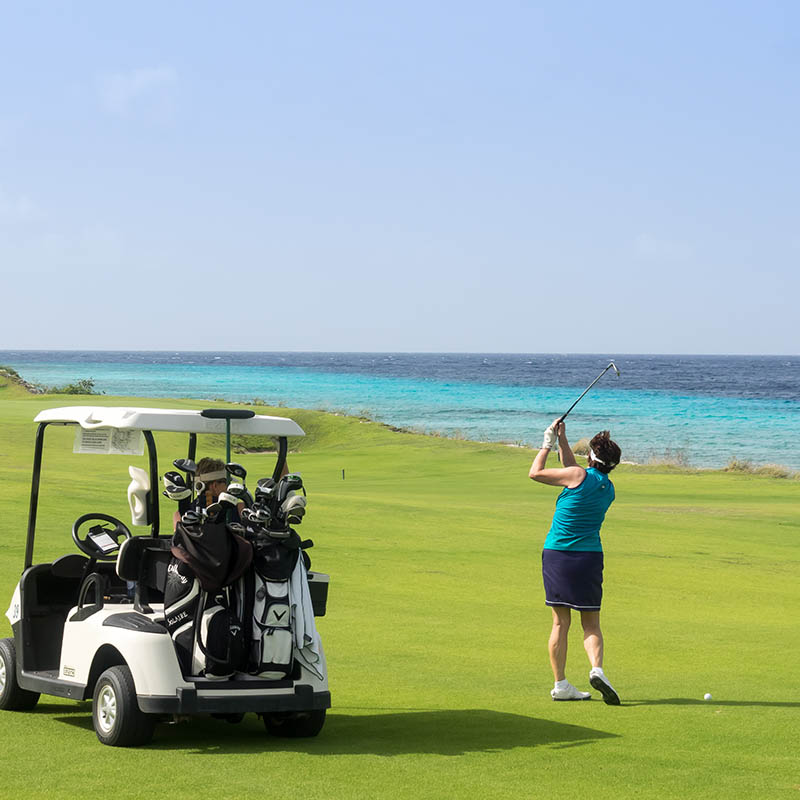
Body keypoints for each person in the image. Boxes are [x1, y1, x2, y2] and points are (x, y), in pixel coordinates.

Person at [529, 421, 622, 704]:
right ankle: (597, 669)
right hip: (589, 558)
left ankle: (561, 685)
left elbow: (536, 473)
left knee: (560, 623)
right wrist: (563, 439)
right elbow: (573, 471)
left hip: (558, 555)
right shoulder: (608, 488)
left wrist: (547, 443)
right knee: (591, 623)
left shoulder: (577, 475)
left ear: (591, 458)